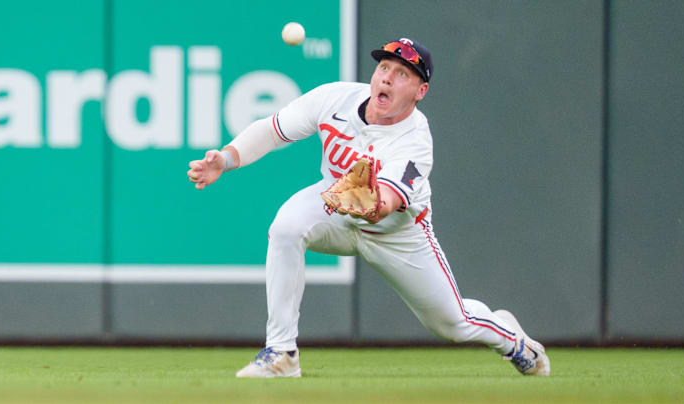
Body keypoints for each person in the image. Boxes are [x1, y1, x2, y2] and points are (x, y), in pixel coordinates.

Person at [187, 38, 550, 378]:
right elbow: (272, 130)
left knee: (451, 324)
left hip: (398, 235)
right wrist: (227, 159)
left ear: (420, 91)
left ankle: (512, 340)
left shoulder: (415, 141)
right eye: (384, 69)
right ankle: (281, 353)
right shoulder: (335, 99)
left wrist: (365, 200)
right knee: (285, 227)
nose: (388, 78)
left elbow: (384, 205)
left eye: (402, 74)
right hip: (332, 203)